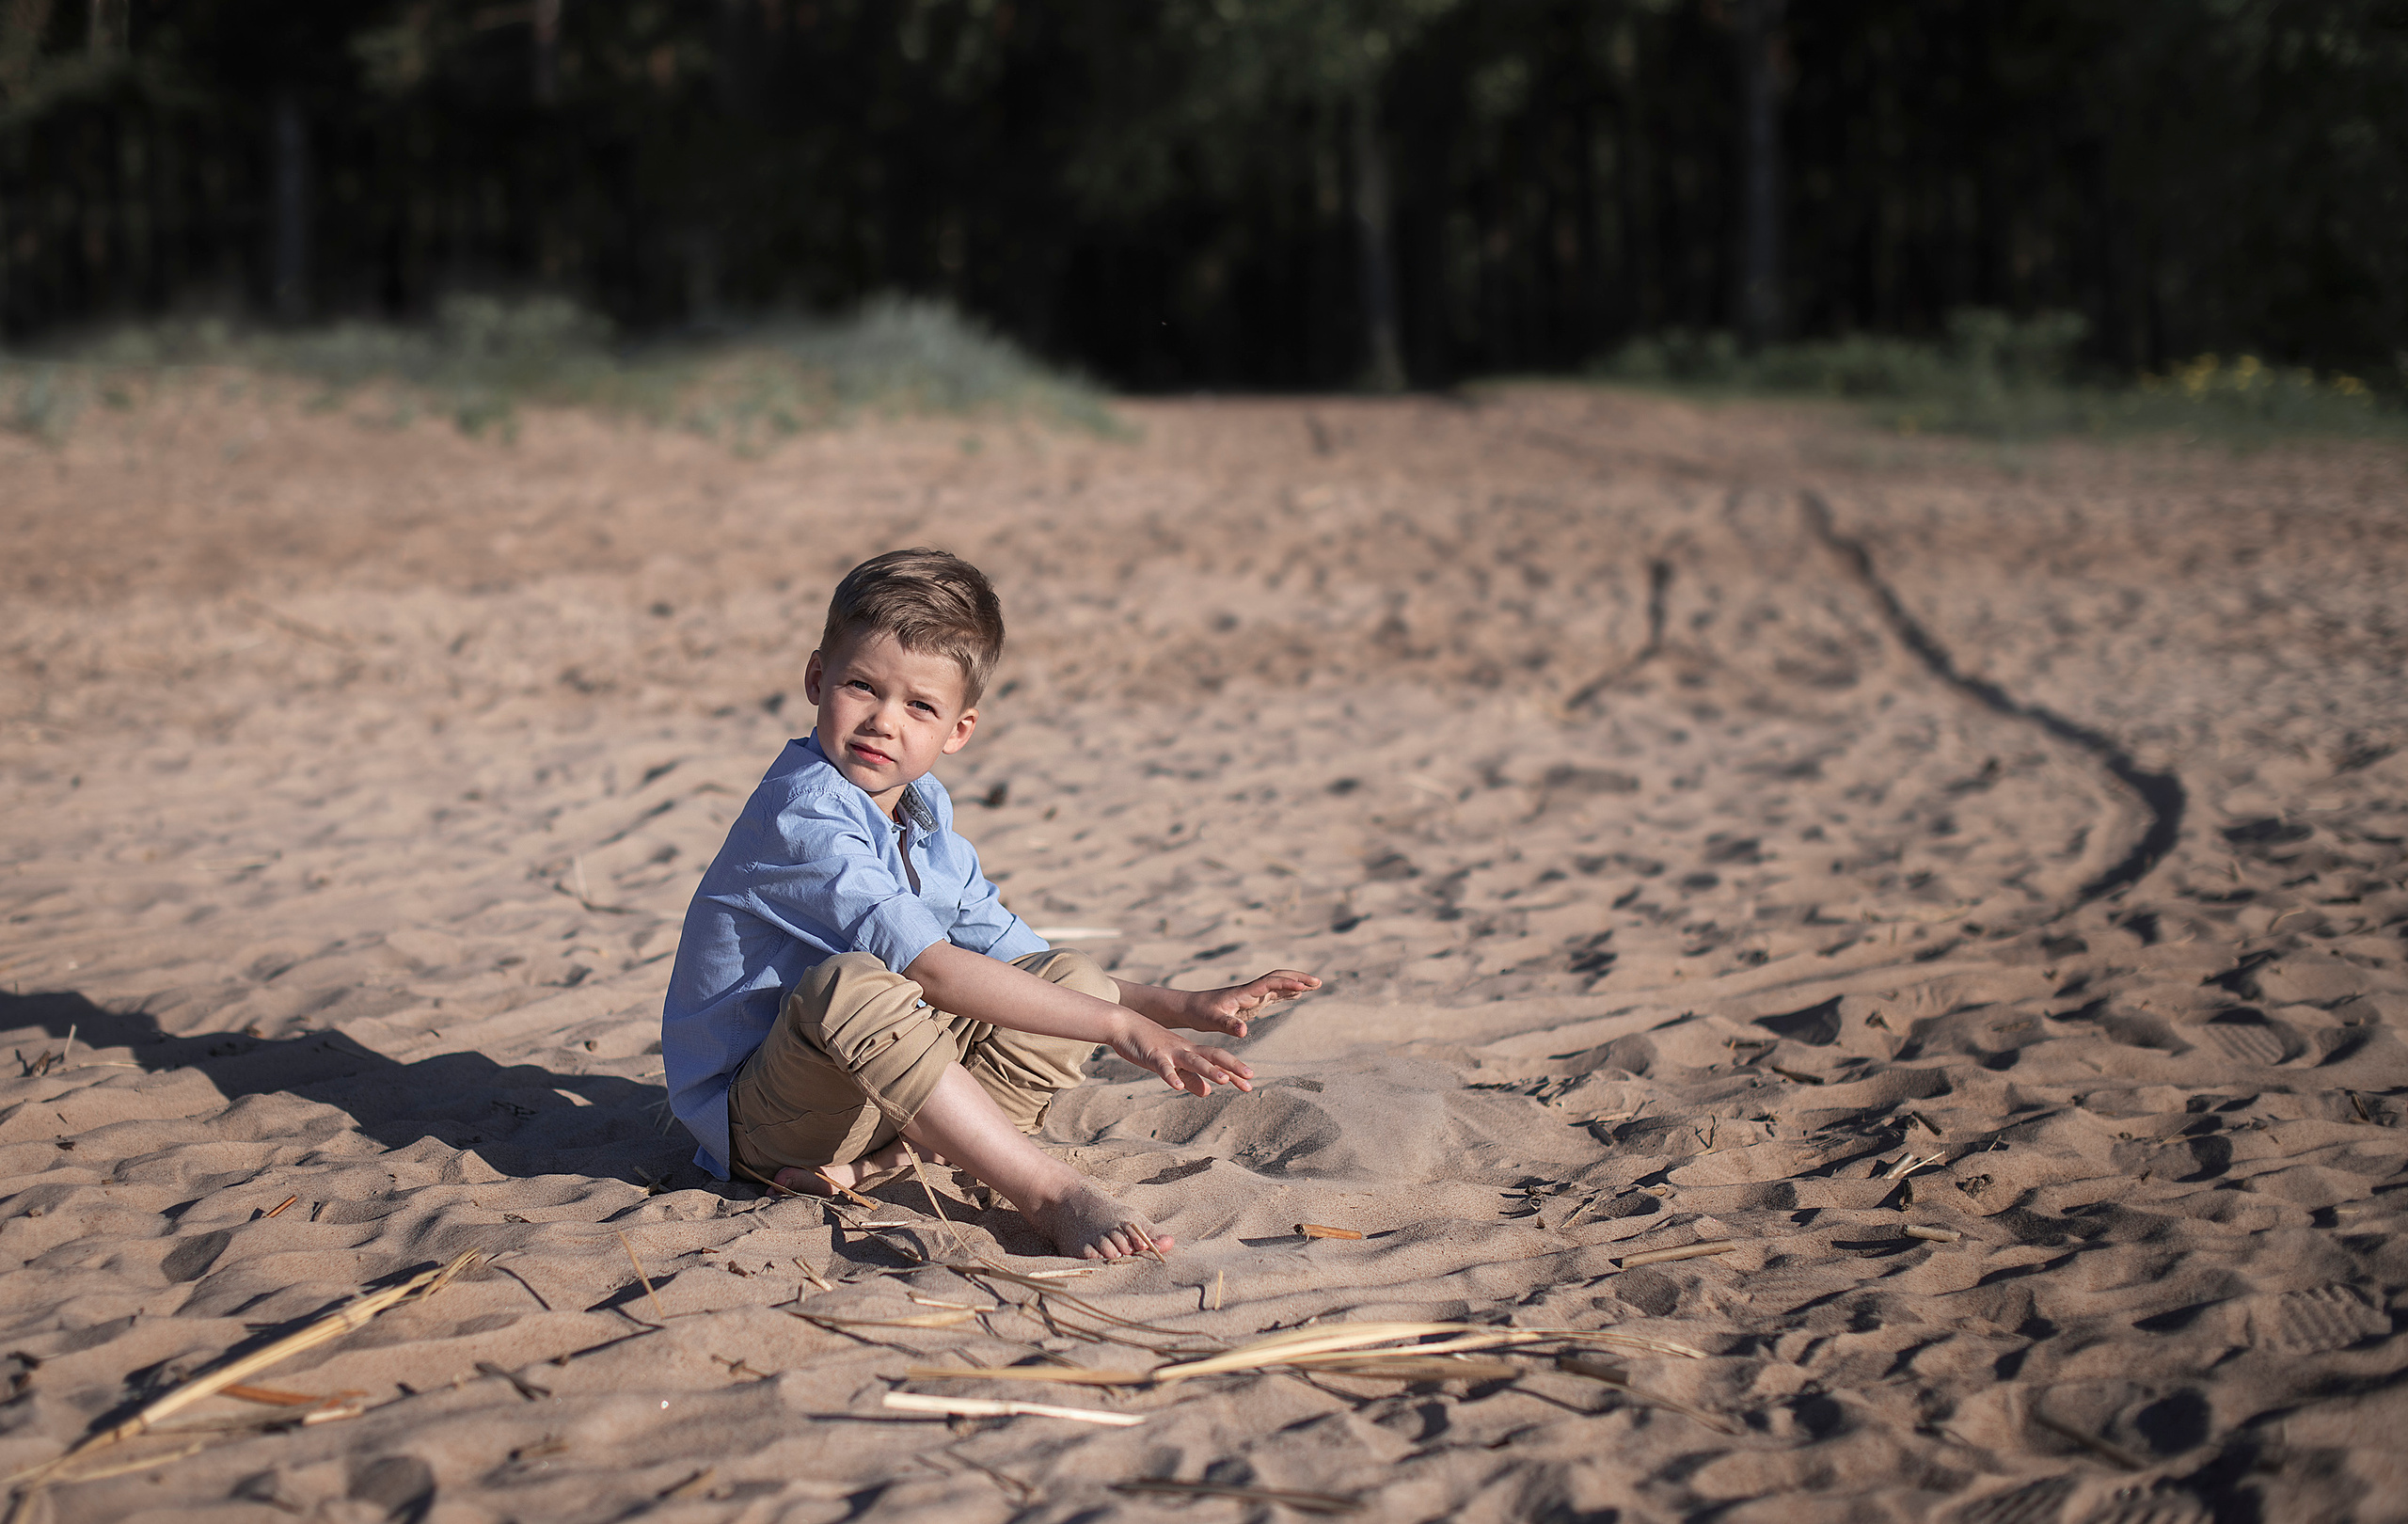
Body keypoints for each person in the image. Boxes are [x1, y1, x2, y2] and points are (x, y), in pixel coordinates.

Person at [659, 548, 1319, 1259]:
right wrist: (1122, 1030)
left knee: (1070, 981)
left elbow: (1012, 958)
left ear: (957, 731)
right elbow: (937, 973)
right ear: (818, 679)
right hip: (763, 1119)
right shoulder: (806, 816)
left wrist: (1180, 1007)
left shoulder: (921, 809)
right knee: (852, 985)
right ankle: (1050, 1195)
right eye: (861, 686)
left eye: (919, 706)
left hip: (871, 1099)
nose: (885, 721)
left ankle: (890, 1162)